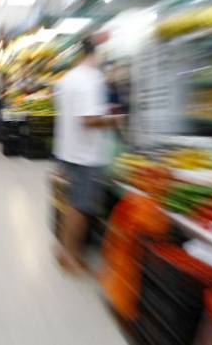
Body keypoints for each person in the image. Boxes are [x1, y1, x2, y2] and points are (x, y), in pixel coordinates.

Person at [53, 38, 123, 273]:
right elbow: (88, 119)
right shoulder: (90, 79)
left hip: (68, 151)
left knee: (71, 203)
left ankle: (64, 249)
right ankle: (71, 255)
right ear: (96, 54)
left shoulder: (68, 78)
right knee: (79, 207)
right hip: (85, 155)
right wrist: (115, 119)